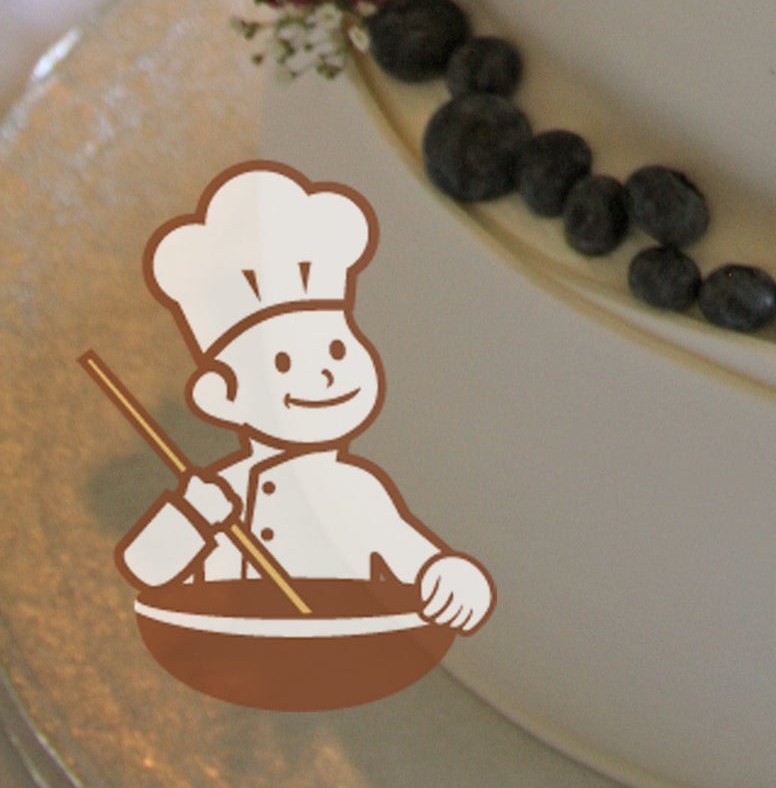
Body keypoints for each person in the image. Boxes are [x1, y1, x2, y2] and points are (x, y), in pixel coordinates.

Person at [116, 160, 495, 636]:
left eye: (336, 349)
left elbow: (415, 559)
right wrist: (190, 517)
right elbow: (147, 567)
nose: (325, 373)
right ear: (223, 396)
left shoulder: (357, 489)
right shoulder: (222, 493)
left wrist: (453, 578)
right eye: (282, 362)